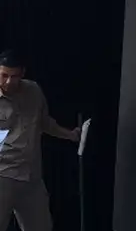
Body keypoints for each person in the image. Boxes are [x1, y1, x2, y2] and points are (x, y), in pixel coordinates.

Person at [0, 50, 80, 231]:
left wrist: (70, 135)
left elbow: (44, 122)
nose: (9, 81)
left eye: (14, 76)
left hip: (31, 177)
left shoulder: (33, 91)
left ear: (22, 73)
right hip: (2, 175)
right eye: (4, 75)